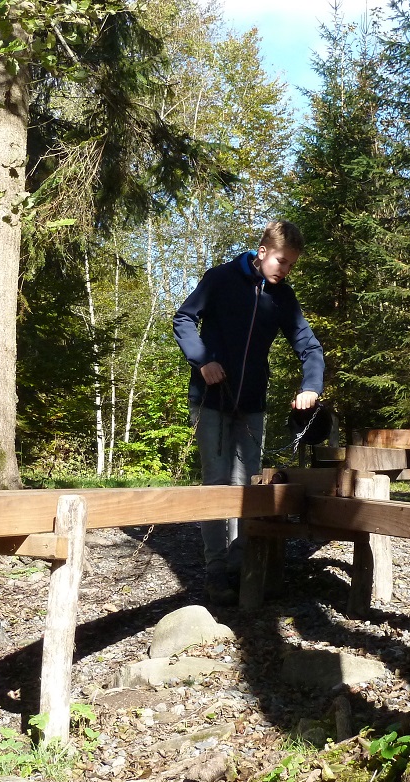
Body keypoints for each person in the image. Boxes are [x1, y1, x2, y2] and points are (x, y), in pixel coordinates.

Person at [173, 220, 325, 605]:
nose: (284, 270)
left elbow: (309, 347)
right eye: (281, 261)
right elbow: (184, 319)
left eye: (290, 265)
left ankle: (244, 567)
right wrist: (203, 361)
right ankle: (215, 571)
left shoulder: (282, 298)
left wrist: (310, 387)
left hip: (252, 404)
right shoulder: (220, 279)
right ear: (261, 252)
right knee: (217, 483)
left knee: (246, 487)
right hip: (210, 400)